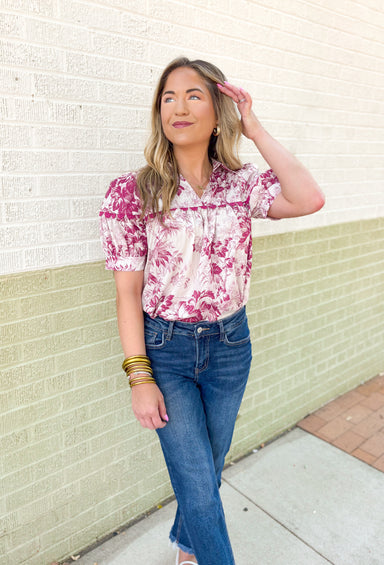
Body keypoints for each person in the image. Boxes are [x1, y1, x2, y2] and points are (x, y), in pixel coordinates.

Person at [99, 57, 324, 565]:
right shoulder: (132, 193)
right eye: (168, 98)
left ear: (218, 112)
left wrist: (255, 126)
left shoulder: (241, 185)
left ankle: (186, 547)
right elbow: (127, 294)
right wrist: (139, 377)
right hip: (167, 350)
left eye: (193, 95)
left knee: (208, 463)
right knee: (198, 481)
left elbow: (309, 198)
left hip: (229, 347)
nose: (178, 107)